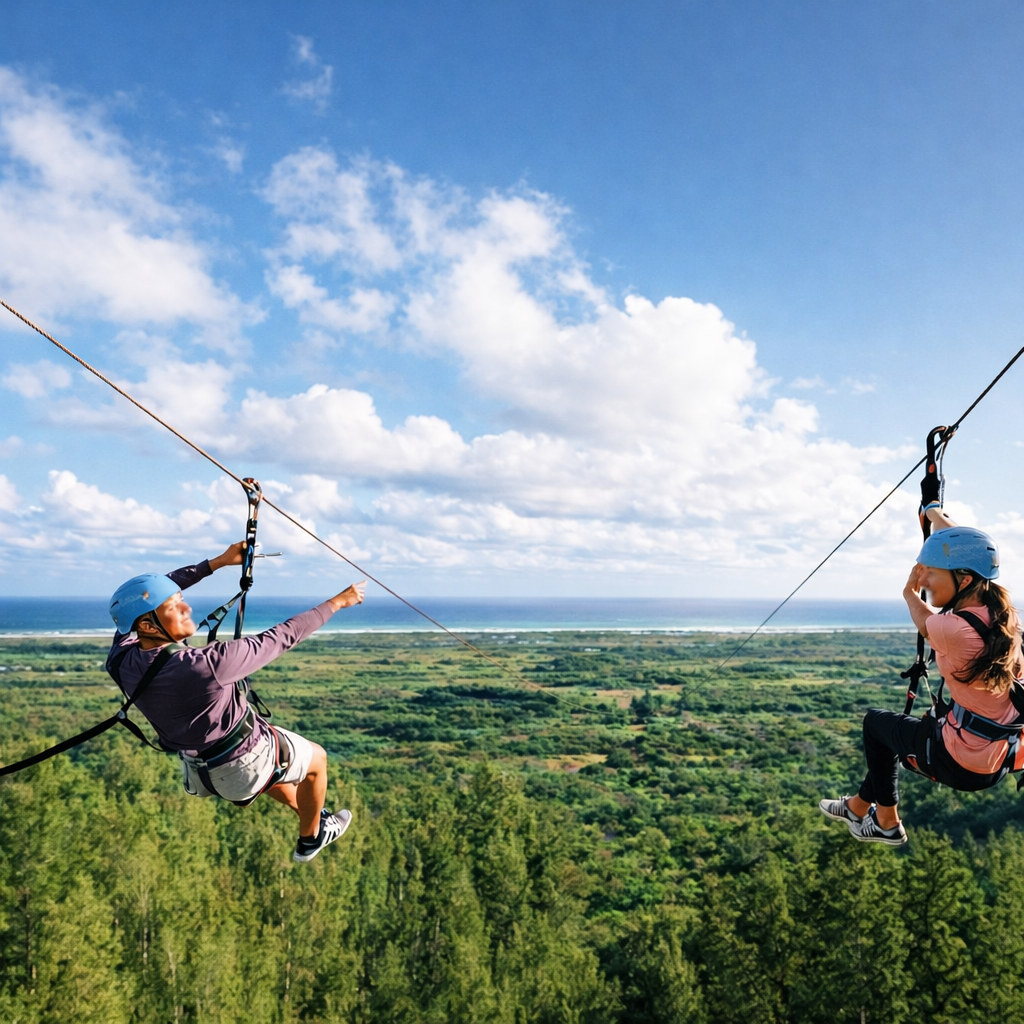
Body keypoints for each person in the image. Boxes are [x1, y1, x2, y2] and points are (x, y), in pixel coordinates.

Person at [107, 542, 366, 863]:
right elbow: (283, 636)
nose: (187, 609)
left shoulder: (119, 660)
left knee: (274, 766)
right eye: (174, 608)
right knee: (317, 762)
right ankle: (311, 840)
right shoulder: (203, 665)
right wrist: (338, 602)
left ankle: (311, 811)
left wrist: (217, 562)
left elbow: (152, 593)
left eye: (181, 600)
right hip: (245, 766)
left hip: (202, 773)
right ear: (147, 626)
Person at [819, 504, 1023, 845]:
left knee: (875, 725)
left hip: (961, 762)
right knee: (896, 737)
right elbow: (967, 547)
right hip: (997, 757)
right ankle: (856, 807)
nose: (924, 579)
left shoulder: (952, 629)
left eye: (931, 572)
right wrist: (933, 513)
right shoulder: (1003, 616)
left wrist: (908, 593)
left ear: (965, 579)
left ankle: (886, 823)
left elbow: (922, 618)